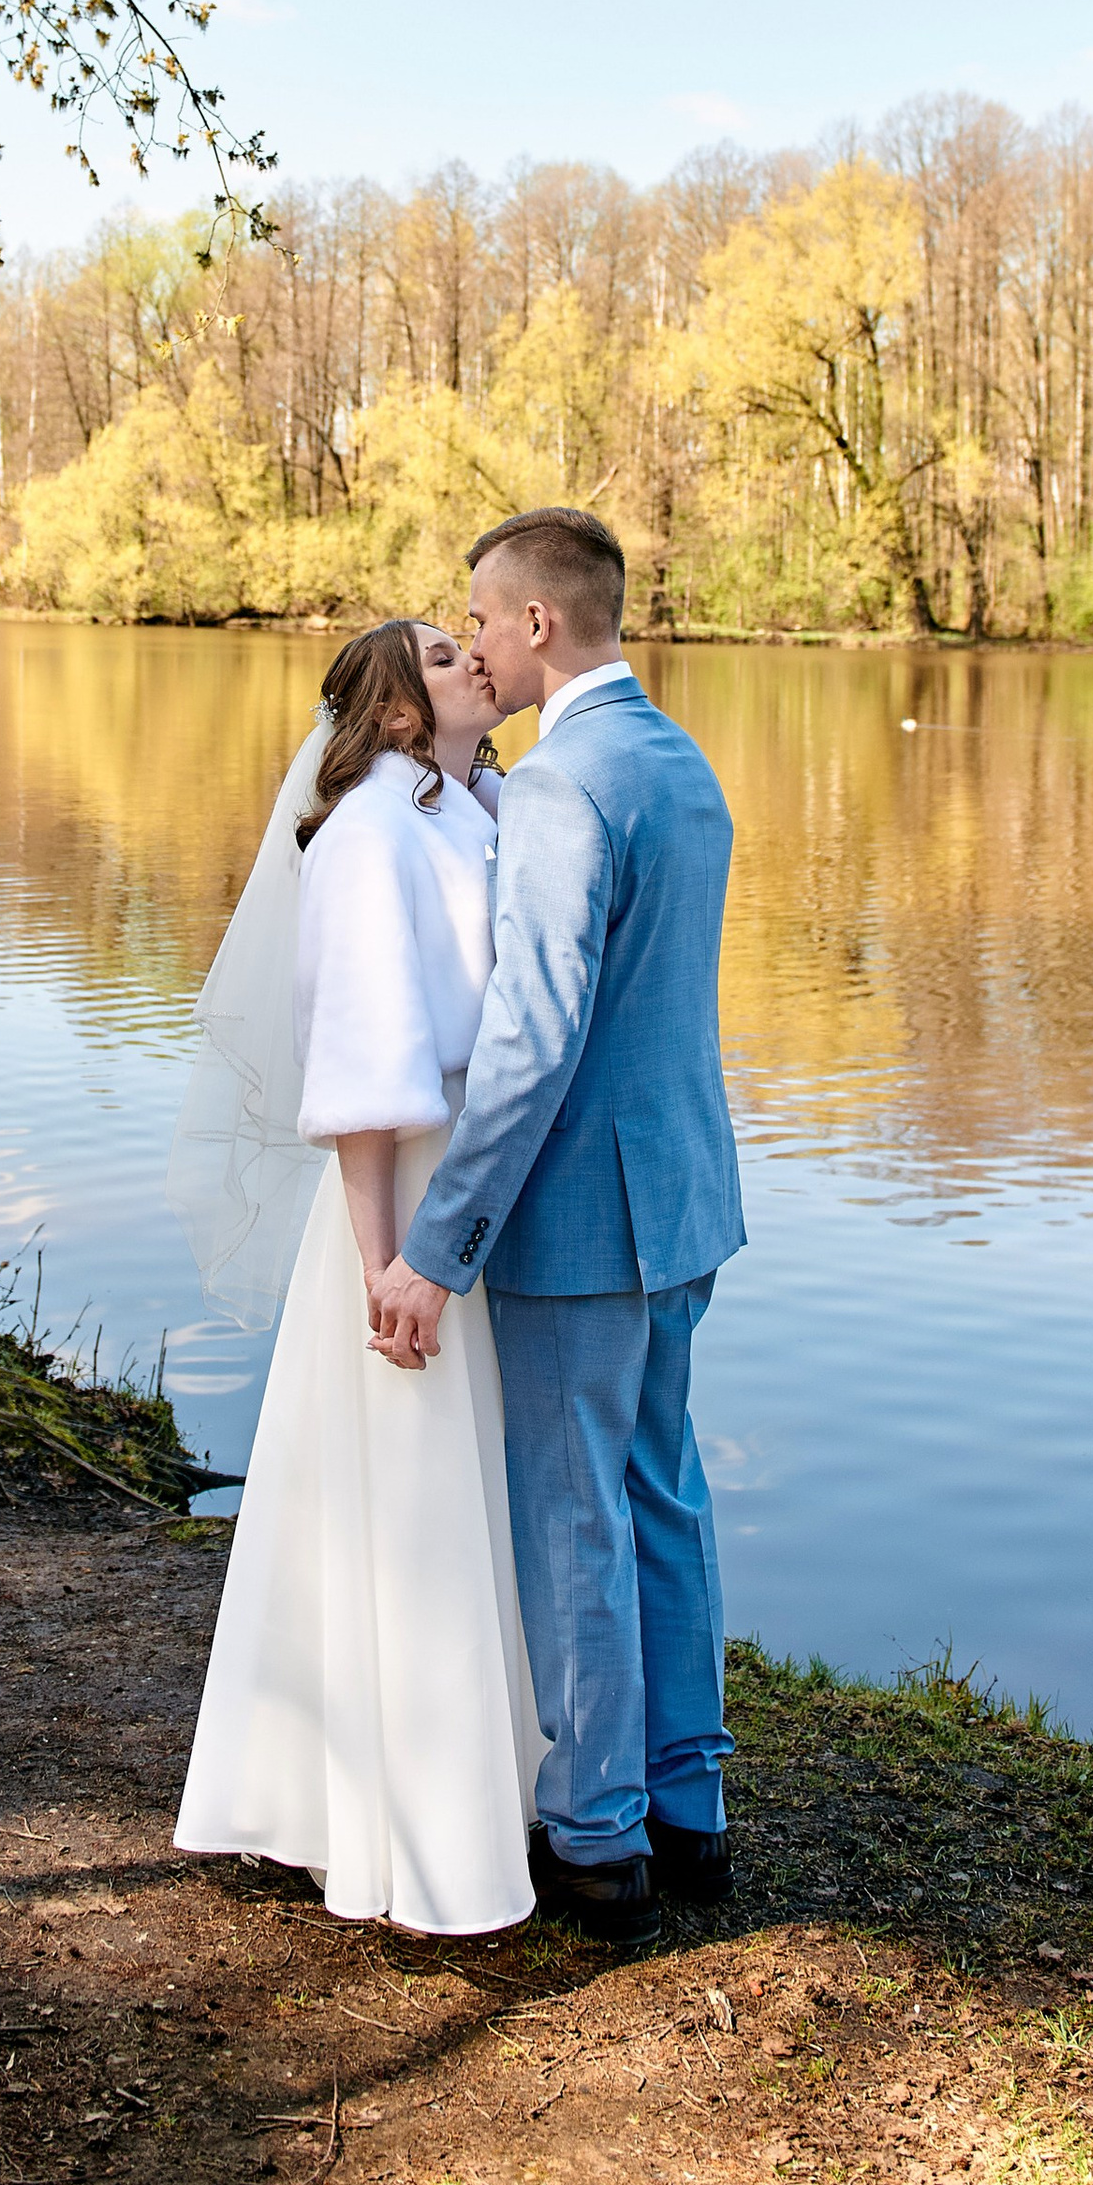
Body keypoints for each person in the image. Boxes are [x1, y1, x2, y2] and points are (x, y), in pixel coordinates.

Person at [368, 508, 746, 1954]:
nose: (467, 639)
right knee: (664, 1488)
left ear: (538, 623)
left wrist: (437, 1246)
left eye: (481, 613)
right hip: (688, 1201)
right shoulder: (680, 761)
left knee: (575, 1511)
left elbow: (530, 1044)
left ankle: (594, 1836)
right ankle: (685, 1798)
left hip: (585, 1222)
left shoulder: (560, 790)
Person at [171, 619, 543, 1934]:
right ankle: (395, 1830)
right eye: (445, 657)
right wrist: (383, 1259)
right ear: (395, 715)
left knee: (451, 1491)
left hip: (468, 1195)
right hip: (409, 1209)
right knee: (405, 1491)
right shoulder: (375, 833)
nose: (476, 659)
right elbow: (365, 1072)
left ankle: (458, 1794)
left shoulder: (472, 808)